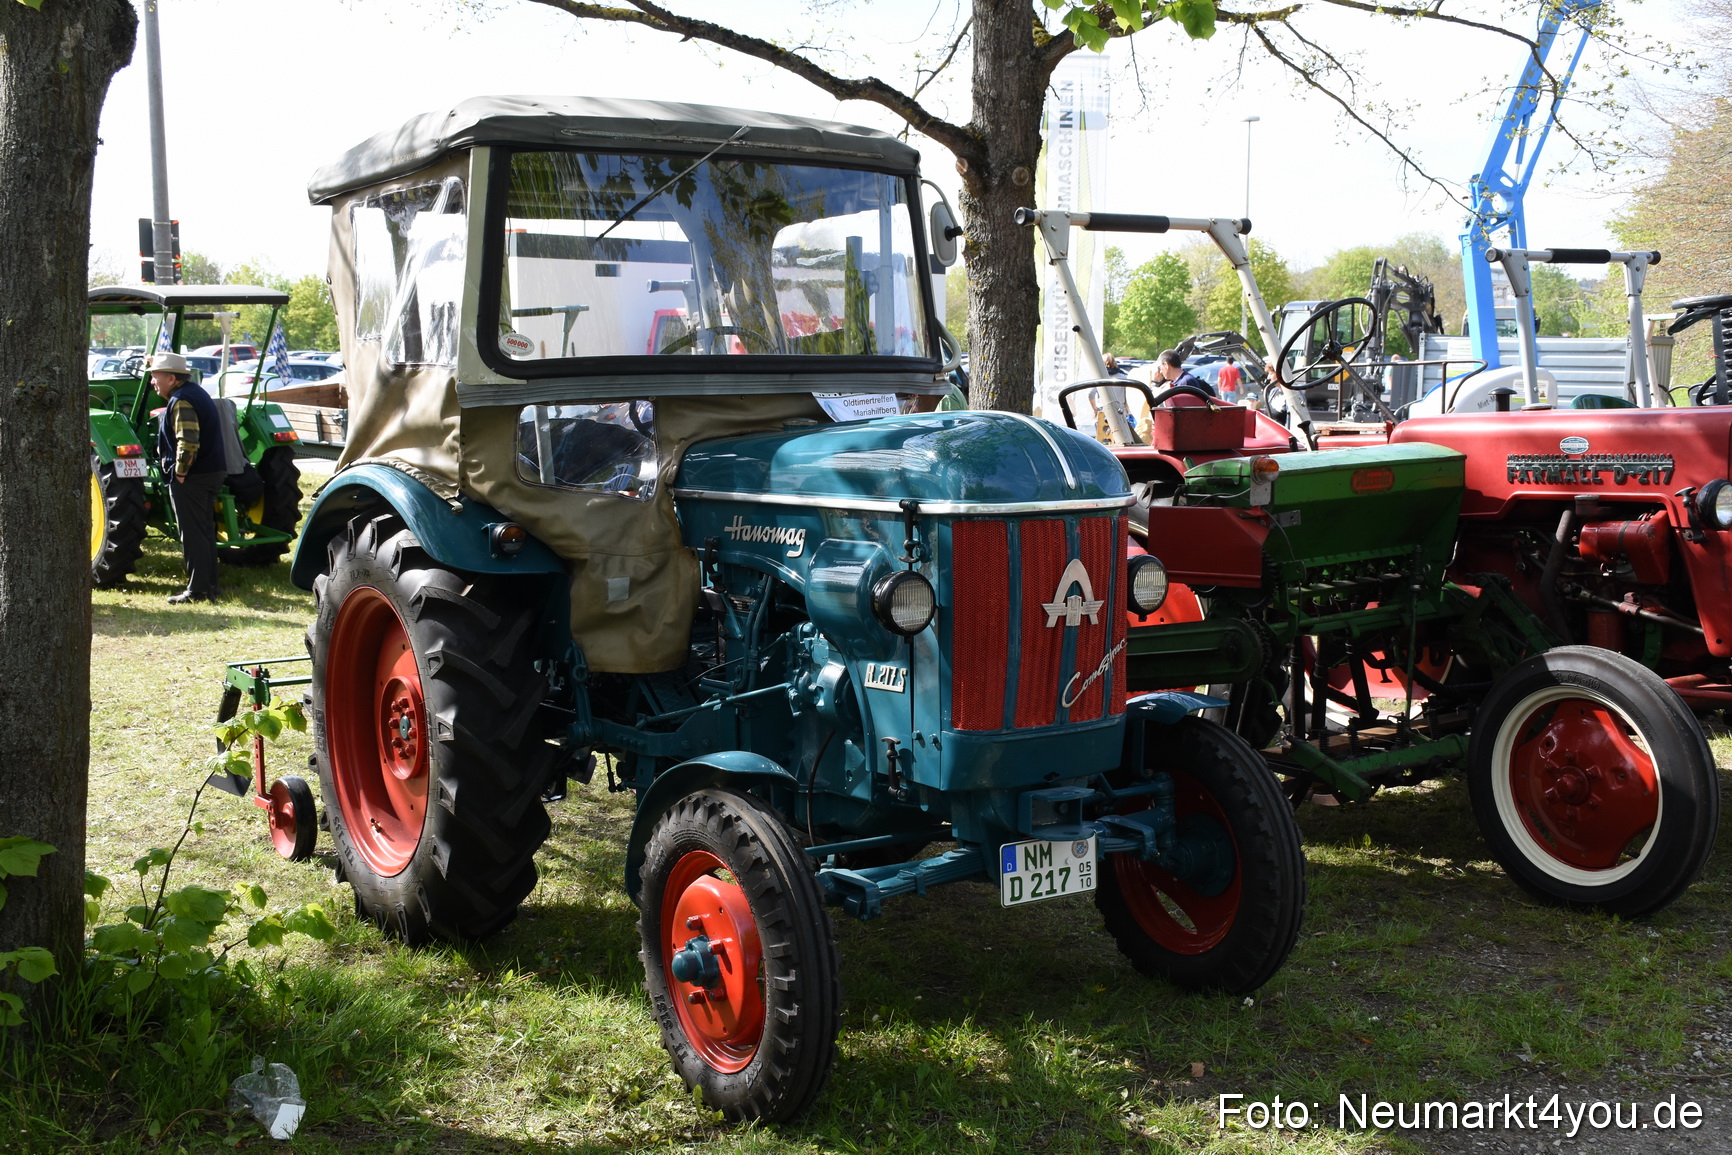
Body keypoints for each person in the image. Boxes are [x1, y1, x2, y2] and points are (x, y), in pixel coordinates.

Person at [150, 351, 226, 603]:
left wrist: (180, 472)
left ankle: (198, 591)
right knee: (204, 530)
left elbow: (188, 442)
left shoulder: (182, 400)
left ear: (171, 378)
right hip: (209, 472)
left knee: (193, 533)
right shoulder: (195, 392)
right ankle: (209, 586)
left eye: (156, 376)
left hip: (193, 476)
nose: (152, 382)